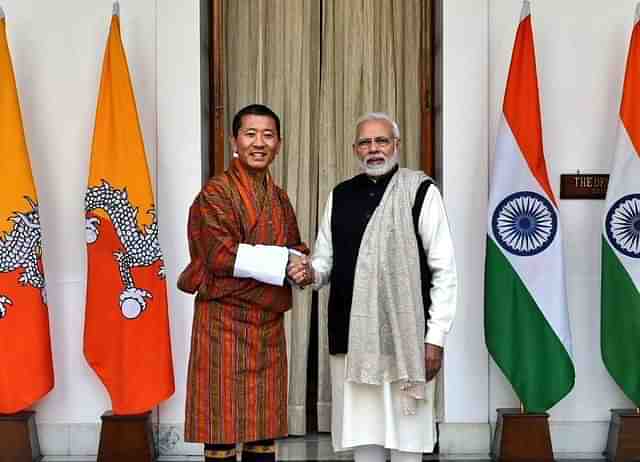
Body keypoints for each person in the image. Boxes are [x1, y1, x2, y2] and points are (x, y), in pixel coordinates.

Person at [289, 112, 457, 462]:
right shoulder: (340, 195)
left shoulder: (420, 192)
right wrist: (309, 273)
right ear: (355, 149)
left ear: (396, 145)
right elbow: (324, 260)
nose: (374, 149)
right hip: (354, 338)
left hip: (407, 338)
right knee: (364, 433)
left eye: (382, 141)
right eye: (365, 142)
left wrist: (436, 338)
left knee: (407, 438)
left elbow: (444, 269)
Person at [178, 104, 308, 462]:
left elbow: (295, 246)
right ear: (234, 141)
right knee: (221, 429)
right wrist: (286, 262)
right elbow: (221, 256)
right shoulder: (216, 193)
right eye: (251, 134)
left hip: (267, 327)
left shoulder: (278, 197)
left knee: (263, 433)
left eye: (268, 135)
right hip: (223, 324)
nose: (259, 142)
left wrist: (301, 265)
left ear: (279, 144)